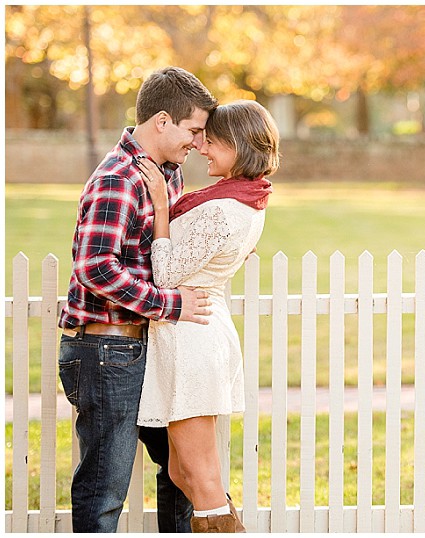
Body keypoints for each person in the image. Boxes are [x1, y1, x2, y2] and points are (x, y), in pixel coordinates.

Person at [58, 66, 217, 533]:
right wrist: (173, 306)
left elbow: (168, 248)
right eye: (193, 130)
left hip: (146, 348)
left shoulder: (166, 175)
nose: (197, 142)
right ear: (162, 121)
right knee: (105, 489)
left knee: (182, 471)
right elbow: (95, 267)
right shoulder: (119, 179)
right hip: (108, 351)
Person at [135, 99, 280, 533]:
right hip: (194, 333)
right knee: (183, 474)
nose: (202, 148)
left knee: (203, 479)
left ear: (238, 145)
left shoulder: (221, 209)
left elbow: (165, 274)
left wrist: (162, 206)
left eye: (212, 142)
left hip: (191, 340)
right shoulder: (245, 198)